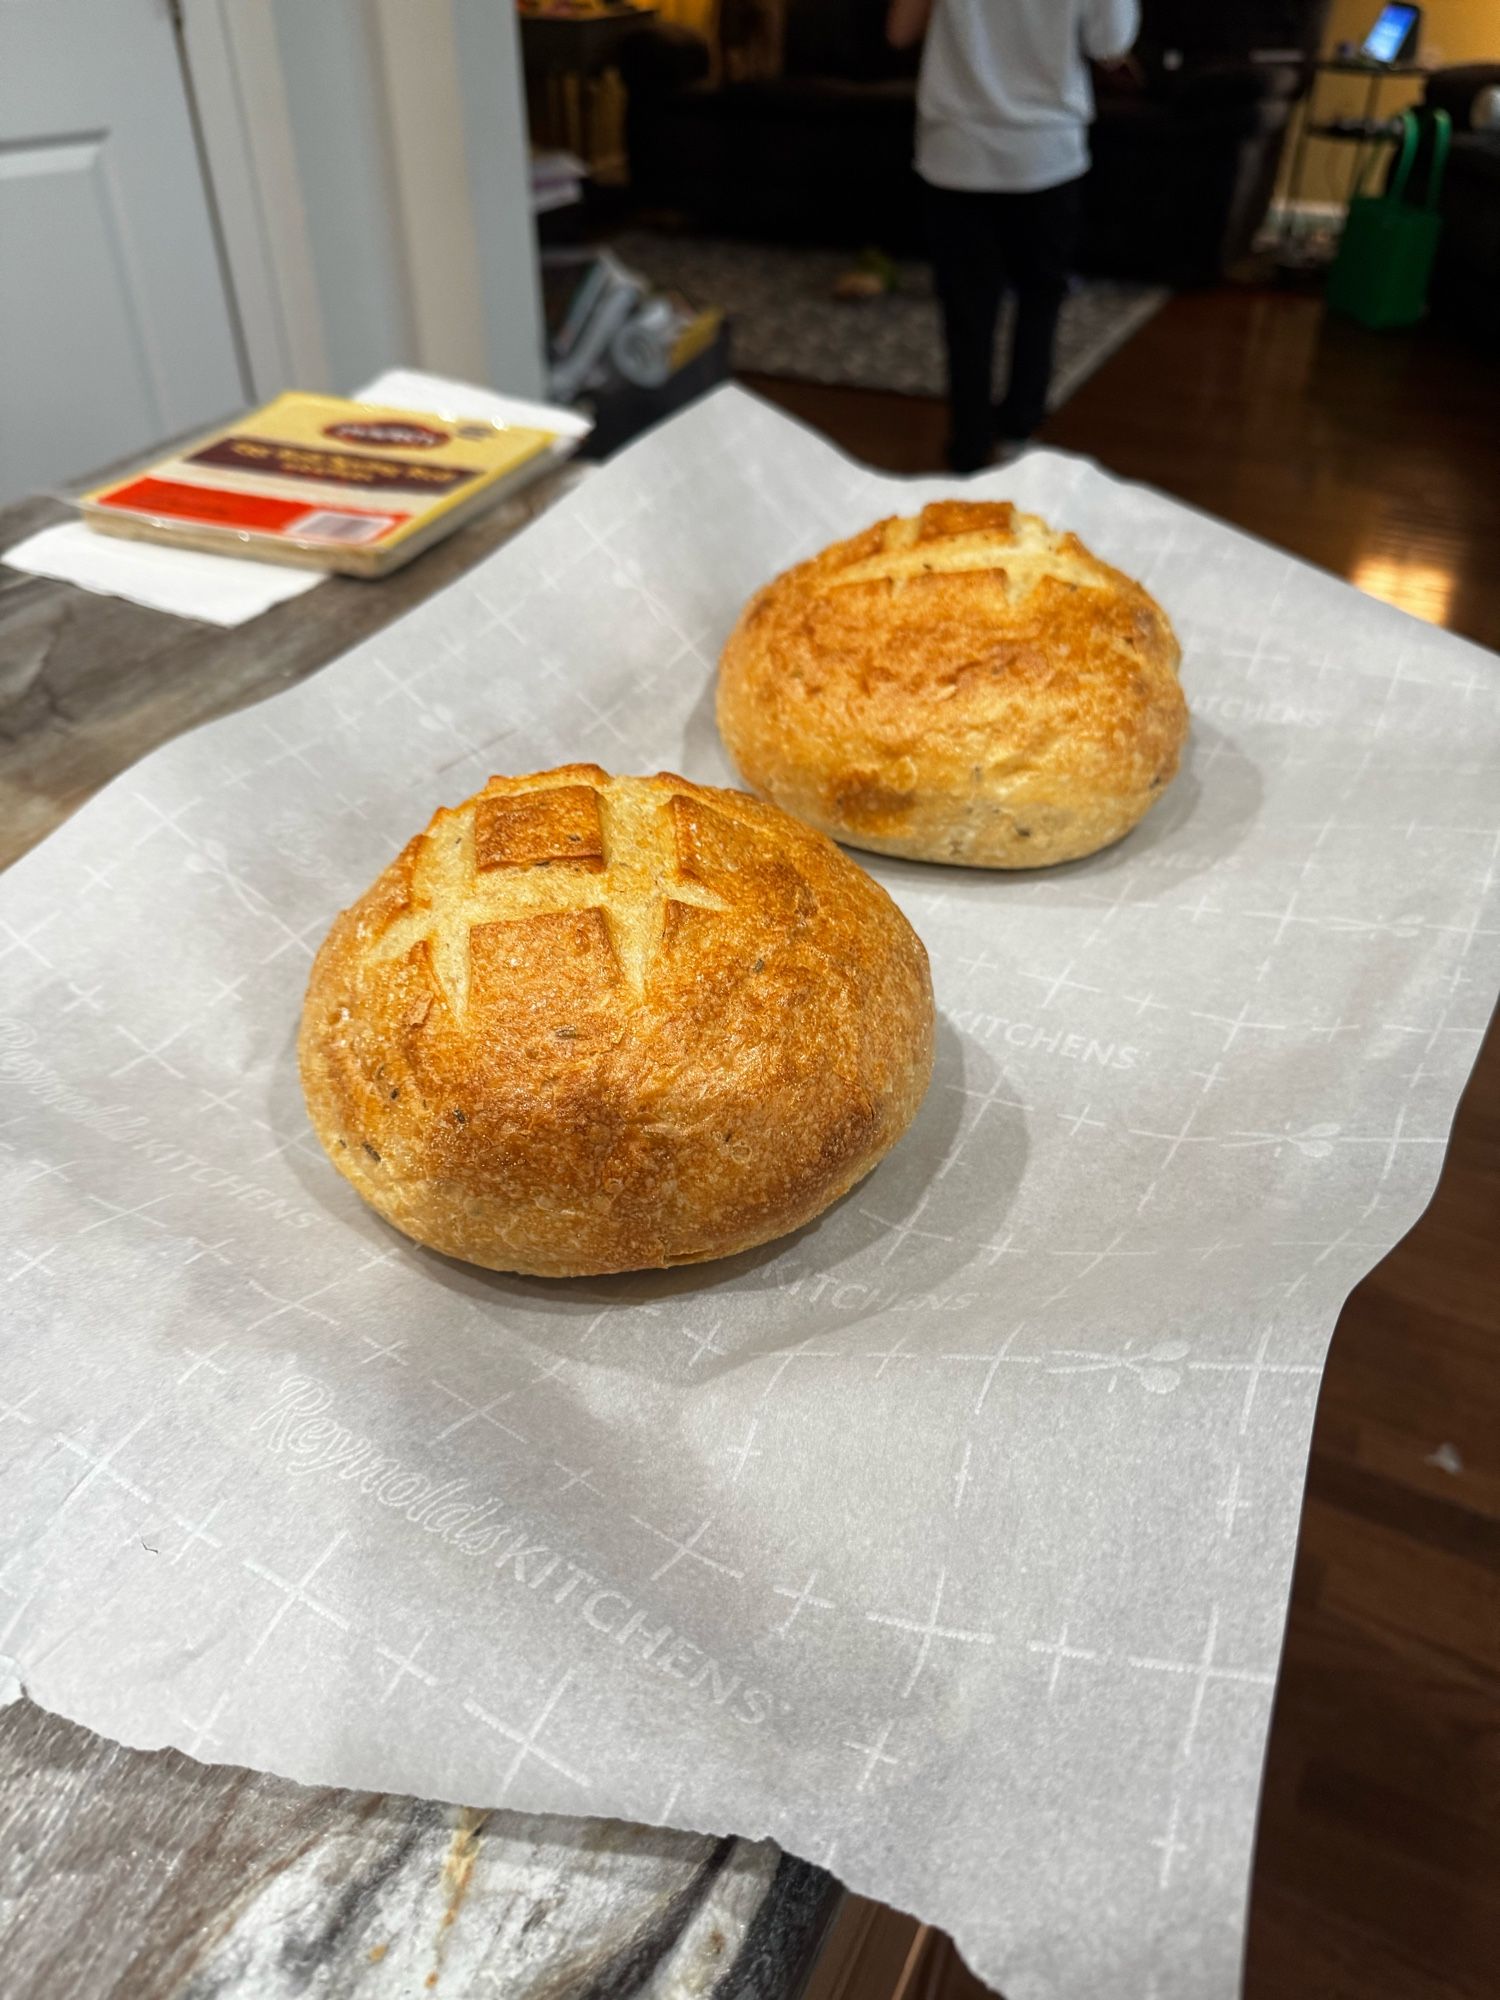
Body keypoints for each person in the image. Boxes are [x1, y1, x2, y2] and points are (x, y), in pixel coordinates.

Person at [886, 0, 1140, 471]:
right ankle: (1017, 434)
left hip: (956, 148)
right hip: (1046, 151)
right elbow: (1110, 44)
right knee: (1040, 299)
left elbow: (900, 31)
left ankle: (967, 446)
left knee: (966, 311)